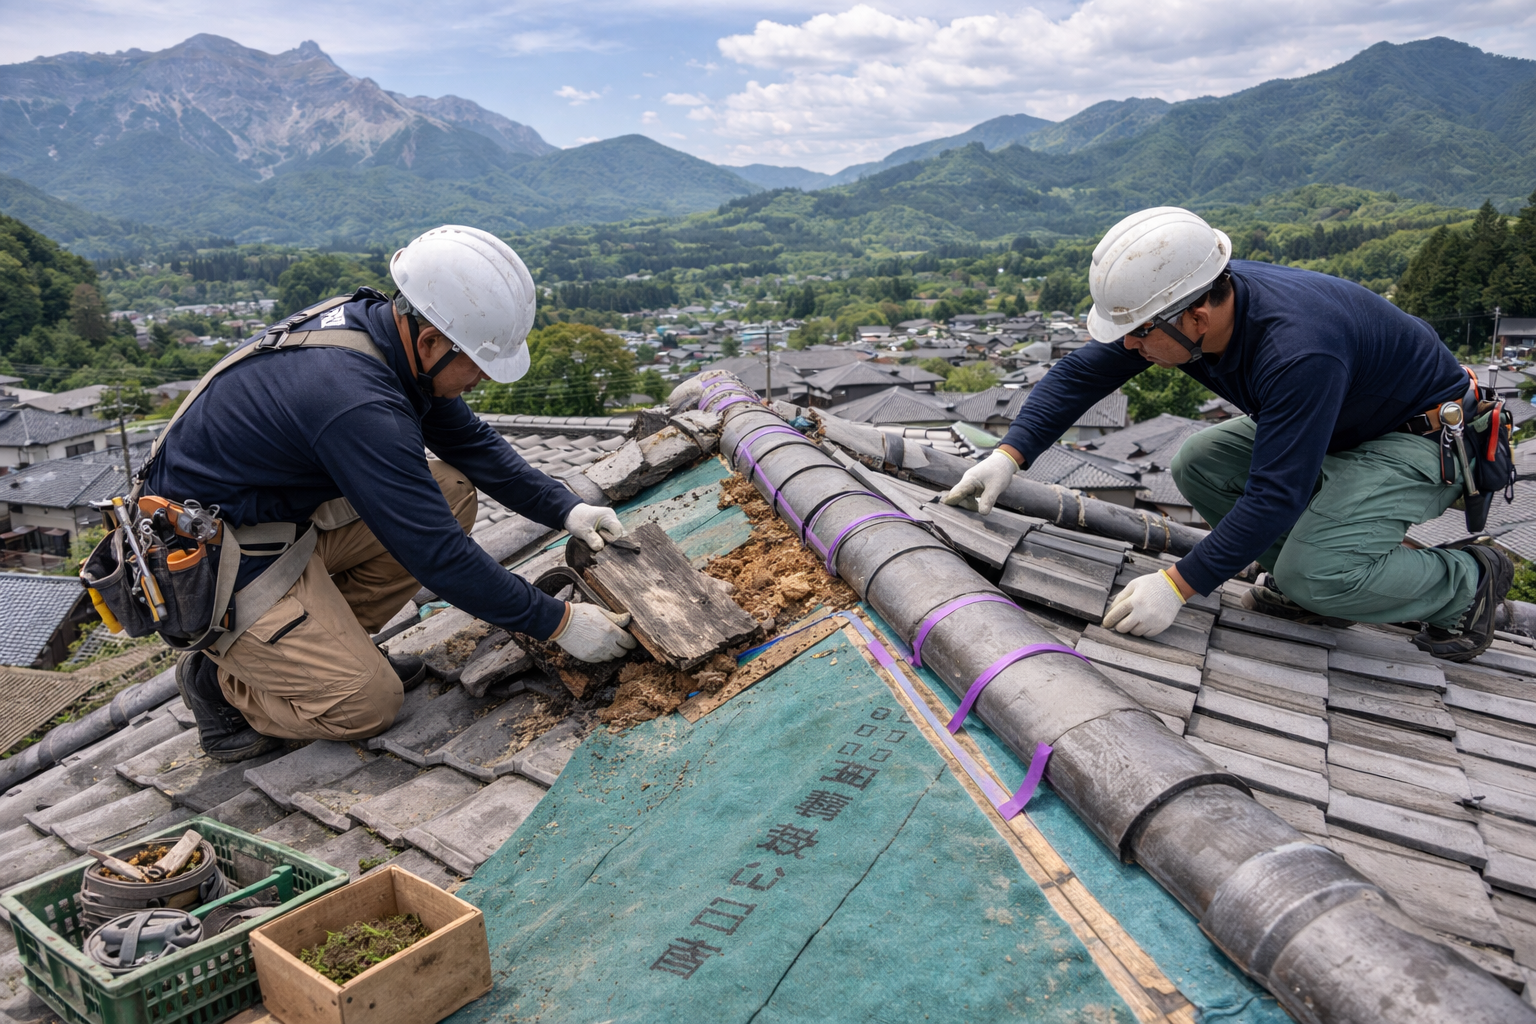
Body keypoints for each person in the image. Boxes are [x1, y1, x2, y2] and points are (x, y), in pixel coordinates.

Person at [146, 226, 636, 760]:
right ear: (431, 342)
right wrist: (558, 622)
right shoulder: (354, 401)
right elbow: (439, 557)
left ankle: (328, 653)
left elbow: (468, 442)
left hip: (273, 526)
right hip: (212, 565)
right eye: (480, 365)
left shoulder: (390, 335)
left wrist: (566, 507)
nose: (485, 382)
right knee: (368, 705)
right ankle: (223, 689)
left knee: (449, 490)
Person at [944, 206, 1512, 663]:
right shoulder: (1185, 307)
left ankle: (1466, 583)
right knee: (1199, 461)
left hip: (1419, 438)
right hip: (1340, 424)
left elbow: (1275, 494)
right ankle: (1310, 587)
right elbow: (1077, 374)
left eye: (1139, 335)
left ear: (1195, 319)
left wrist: (1178, 585)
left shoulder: (1297, 349)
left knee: (1316, 572)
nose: (1131, 348)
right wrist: (1007, 455)